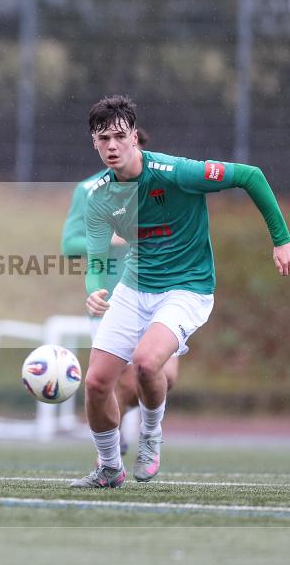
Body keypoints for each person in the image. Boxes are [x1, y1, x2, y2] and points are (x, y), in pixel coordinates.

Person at [70, 95, 290, 488]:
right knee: (95, 384)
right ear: (94, 141)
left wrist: (282, 240)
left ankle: (151, 436)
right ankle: (109, 467)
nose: (112, 146)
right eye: (103, 137)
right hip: (133, 288)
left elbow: (251, 175)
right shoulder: (100, 196)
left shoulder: (175, 172)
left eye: (119, 136)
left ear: (135, 138)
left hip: (186, 289)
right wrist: (93, 289)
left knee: (145, 364)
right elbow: (96, 257)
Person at [61, 128, 180, 458]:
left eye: (133, 145)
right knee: (121, 377)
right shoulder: (89, 190)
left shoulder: (159, 185)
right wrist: (110, 241)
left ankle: (122, 420)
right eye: (109, 142)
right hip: (113, 300)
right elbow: (69, 245)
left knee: (165, 375)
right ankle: (112, 445)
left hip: (158, 292)